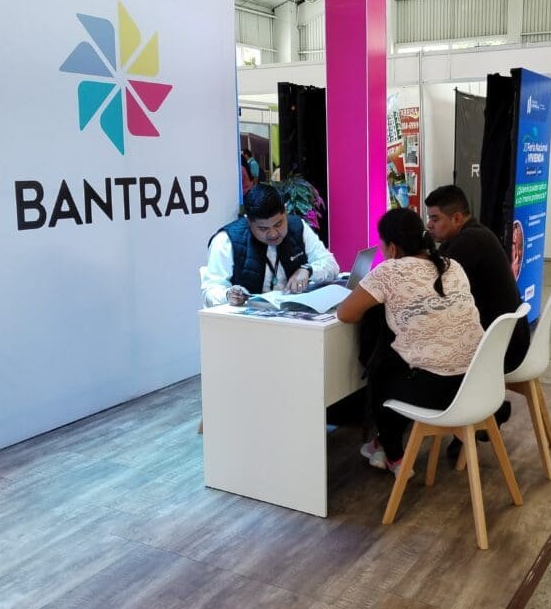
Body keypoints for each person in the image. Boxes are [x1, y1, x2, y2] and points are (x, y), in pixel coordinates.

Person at [337, 208, 484, 475]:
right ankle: (381, 444)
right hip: (476, 384)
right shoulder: (452, 265)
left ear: (392, 247)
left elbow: (345, 314)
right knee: (396, 358)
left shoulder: (389, 270)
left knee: (380, 369)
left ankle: (394, 455)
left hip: (438, 391)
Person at [424, 184, 529, 457]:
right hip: (505, 342)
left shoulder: (468, 243)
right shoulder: (475, 235)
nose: (429, 225)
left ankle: (476, 414)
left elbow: (434, 289)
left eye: (435, 218)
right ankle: (483, 415)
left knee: (426, 356)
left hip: (499, 351)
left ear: (457, 218)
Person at [200, 183, 338, 307]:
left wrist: (307, 270)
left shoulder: (298, 227)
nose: (273, 234)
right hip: (245, 322)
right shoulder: (226, 240)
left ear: (285, 212)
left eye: (278, 224)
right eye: (263, 229)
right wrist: (228, 295)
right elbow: (210, 291)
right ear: (249, 222)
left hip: (292, 317)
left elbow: (331, 265)